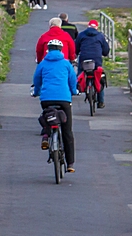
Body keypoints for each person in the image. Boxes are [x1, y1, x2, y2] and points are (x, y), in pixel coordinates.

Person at [33, 38, 78, 171]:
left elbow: (37, 80)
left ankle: (46, 135)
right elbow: (72, 80)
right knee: (67, 130)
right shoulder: (66, 64)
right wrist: (74, 91)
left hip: (46, 99)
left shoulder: (42, 64)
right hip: (64, 99)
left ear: (48, 49)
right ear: (60, 50)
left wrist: (36, 92)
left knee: (47, 116)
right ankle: (70, 164)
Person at [74, 19, 111, 107]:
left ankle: (77, 88)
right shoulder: (100, 36)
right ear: (96, 27)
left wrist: (77, 53)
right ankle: (101, 101)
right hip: (96, 60)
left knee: (80, 72)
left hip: (84, 59)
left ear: (88, 26)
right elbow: (106, 51)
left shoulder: (81, 35)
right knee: (99, 77)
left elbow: (76, 48)